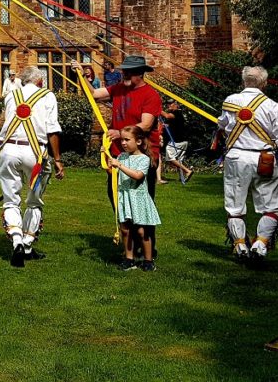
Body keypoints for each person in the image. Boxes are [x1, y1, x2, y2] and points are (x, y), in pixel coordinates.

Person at [77, 55, 162, 256]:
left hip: (142, 155)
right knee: (119, 200)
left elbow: (147, 124)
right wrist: (82, 76)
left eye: (128, 72)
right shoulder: (118, 89)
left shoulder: (150, 95)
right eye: (124, 71)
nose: (123, 74)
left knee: (142, 202)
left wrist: (120, 132)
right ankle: (131, 247)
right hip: (118, 156)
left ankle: (148, 248)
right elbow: (95, 95)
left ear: (140, 74)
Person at [217, 66, 278, 262]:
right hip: (264, 159)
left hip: (236, 158)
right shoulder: (272, 105)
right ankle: (260, 245)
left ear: (243, 81)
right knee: (270, 206)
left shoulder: (230, 101)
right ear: (264, 83)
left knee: (235, 207)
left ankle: (240, 247)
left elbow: (222, 124)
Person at [0, 66, 65, 266]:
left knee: (11, 200)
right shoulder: (47, 96)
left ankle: (17, 241)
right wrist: (58, 159)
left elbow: (5, 122)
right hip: (35, 153)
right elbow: (52, 129)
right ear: (40, 82)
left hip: (9, 150)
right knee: (34, 201)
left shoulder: (11, 95)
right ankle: (26, 245)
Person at [105, 126, 161, 271]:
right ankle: (129, 259)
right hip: (125, 197)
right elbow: (115, 173)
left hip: (138, 199)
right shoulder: (121, 157)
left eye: (127, 140)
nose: (123, 143)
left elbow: (138, 176)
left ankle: (148, 260)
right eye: (122, 140)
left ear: (138, 141)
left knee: (142, 231)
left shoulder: (144, 159)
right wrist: (108, 163)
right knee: (125, 230)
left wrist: (120, 165)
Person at [159, 100, 193, 184]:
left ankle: (187, 171)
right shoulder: (175, 115)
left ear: (176, 105)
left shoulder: (177, 113)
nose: (168, 105)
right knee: (178, 160)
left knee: (170, 158)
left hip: (178, 141)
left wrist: (156, 109)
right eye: (167, 104)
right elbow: (169, 124)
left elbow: (167, 116)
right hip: (182, 141)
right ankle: (182, 177)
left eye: (170, 104)